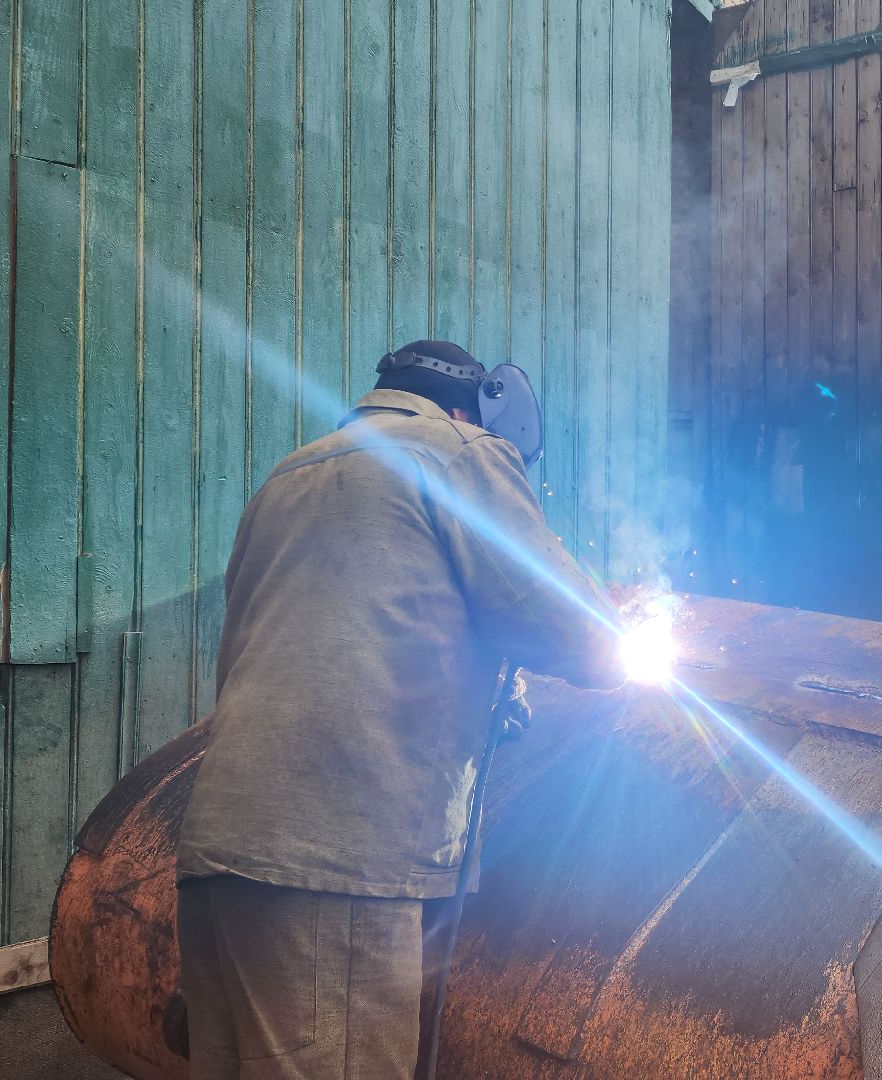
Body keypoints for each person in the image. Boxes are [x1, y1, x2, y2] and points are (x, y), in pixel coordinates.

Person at [174, 339, 622, 1079]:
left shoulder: (290, 476)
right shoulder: (459, 452)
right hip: (338, 863)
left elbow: (324, 644)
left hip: (223, 852)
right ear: (470, 407)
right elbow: (566, 621)